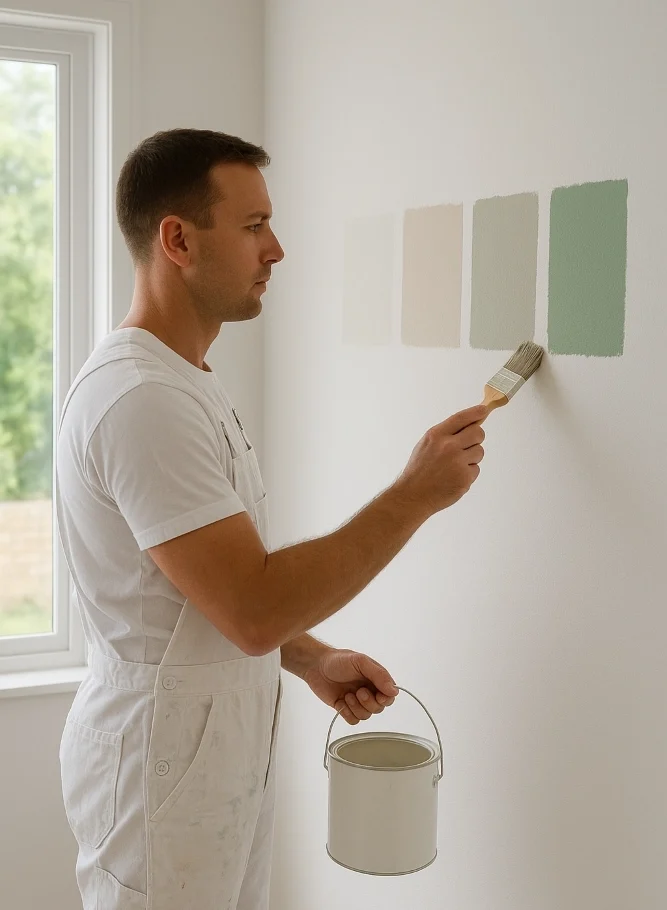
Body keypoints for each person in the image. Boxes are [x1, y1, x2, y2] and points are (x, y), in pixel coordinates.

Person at [56, 128, 487, 910]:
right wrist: (413, 495)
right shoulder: (143, 400)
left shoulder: (184, 382)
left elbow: (205, 595)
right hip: (163, 769)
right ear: (179, 239)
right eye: (253, 226)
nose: (277, 249)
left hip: (204, 759)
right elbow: (251, 608)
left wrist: (313, 657)